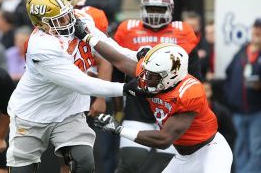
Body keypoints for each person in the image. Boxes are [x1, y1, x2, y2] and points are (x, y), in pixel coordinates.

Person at [6, 0, 149, 173]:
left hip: (68, 110)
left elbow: (107, 45)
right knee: (23, 170)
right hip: (32, 114)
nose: (68, 21)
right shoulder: (41, 47)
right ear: (42, 25)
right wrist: (124, 88)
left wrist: (137, 55)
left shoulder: (79, 17)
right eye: (60, 20)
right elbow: (82, 83)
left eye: (67, 15)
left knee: (84, 162)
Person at [72, 25, 233, 171]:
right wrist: (87, 37)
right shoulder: (155, 76)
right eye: (145, 72)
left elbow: (164, 140)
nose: (144, 78)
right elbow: (119, 60)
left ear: (171, 76)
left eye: (152, 76)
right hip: (184, 156)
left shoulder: (190, 92)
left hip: (210, 150)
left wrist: (119, 129)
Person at [111, 0, 202, 172]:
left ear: (170, 10)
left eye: (159, 10)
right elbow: (117, 72)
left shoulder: (183, 32)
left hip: (171, 109)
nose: (154, 14)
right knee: (129, 163)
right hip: (139, 106)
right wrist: (118, 107)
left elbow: (194, 76)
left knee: (167, 166)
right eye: (151, 9)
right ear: (142, 9)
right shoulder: (127, 30)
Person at [46, 0, 116, 173]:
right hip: (62, 89)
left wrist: (101, 97)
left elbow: (104, 57)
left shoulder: (91, 15)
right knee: (65, 152)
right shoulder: (49, 19)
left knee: (90, 151)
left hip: (89, 86)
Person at [224, 17, 261, 173]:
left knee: (257, 150)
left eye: (260, 30)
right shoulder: (242, 50)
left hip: (257, 111)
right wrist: (230, 96)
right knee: (240, 148)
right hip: (238, 111)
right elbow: (229, 73)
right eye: (255, 29)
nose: (257, 32)